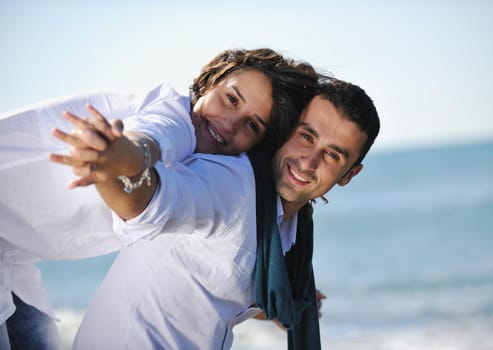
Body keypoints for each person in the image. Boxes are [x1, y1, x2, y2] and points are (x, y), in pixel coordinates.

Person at [0, 48, 318, 349]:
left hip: (12, 256)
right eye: (230, 99)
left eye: (251, 124)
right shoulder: (175, 116)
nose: (229, 122)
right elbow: (151, 136)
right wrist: (122, 154)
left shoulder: (209, 174)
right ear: (209, 82)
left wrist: (277, 300)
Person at [55, 78, 380, 349]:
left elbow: (228, 280)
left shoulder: (291, 223)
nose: (308, 162)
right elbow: (146, 198)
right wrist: (108, 165)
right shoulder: (234, 185)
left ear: (349, 174)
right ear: (285, 132)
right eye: (306, 137)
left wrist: (289, 301)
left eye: (332, 155)